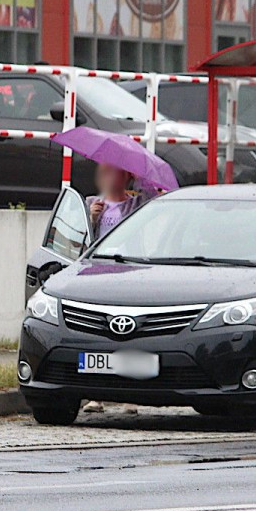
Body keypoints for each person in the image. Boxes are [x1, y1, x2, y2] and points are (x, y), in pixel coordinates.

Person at [82, 163, 159, 414]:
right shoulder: (93, 203)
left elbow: (155, 198)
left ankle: (130, 394)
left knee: (130, 337)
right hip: (99, 276)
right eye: (103, 171)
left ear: (127, 176)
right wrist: (93, 219)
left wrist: (140, 177)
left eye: (113, 170)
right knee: (98, 337)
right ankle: (96, 395)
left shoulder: (135, 205)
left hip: (129, 276)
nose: (106, 176)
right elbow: (83, 239)